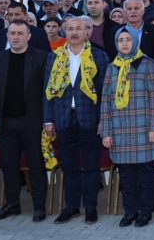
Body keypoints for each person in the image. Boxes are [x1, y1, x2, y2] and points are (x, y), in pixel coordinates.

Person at [43, 16, 110, 224]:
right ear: (64, 31)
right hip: (63, 118)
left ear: (86, 32)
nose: (74, 32)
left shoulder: (98, 56)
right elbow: (47, 90)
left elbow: (105, 92)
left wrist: (104, 119)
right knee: (69, 166)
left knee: (91, 166)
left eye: (78, 29)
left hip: (90, 119)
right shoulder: (54, 57)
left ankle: (90, 207)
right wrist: (48, 120)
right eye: (70, 29)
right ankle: (72, 207)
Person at [99, 27, 154, 228]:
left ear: (135, 41)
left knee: (145, 174)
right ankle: (130, 211)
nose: (125, 43)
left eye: (128, 39)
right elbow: (105, 102)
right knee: (126, 175)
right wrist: (106, 132)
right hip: (119, 129)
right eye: (121, 40)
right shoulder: (112, 68)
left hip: (143, 128)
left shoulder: (148, 64)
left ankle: (145, 211)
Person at [0, 20, 49, 221]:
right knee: (9, 166)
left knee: (36, 165)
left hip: (32, 122)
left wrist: (47, 121)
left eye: (20, 33)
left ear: (29, 36)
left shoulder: (42, 58)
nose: (16, 37)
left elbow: (47, 93)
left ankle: (39, 207)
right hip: (5, 123)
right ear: (7, 35)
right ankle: (12, 204)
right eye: (12, 33)